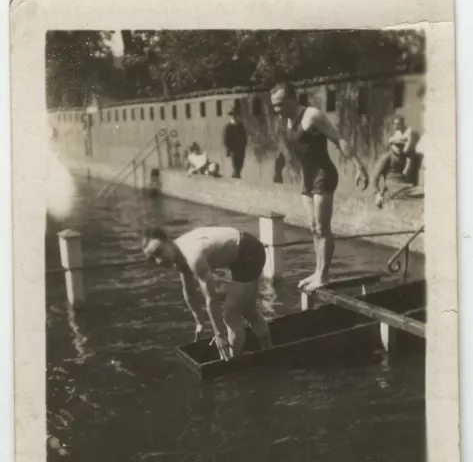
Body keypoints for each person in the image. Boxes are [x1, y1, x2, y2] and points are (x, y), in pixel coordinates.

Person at [270, 81, 369, 291]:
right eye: (274, 106)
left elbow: (338, 139)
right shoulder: (286, 121)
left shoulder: (312, 115)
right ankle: (317, 271)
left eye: (280, 104)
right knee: (314, 229)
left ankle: (323, 276)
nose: (277, 110)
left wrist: (359, 166)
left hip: (324, 175)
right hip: (307, 179)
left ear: (292, 99)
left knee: (323, 228)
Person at [142, 226, 272, 361]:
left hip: (249, 251)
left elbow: (211, 297)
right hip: (239, 254)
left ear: (167, 241)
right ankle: (269, 349)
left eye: (159, 252)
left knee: (230, 314)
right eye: (152, 259)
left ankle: (233, 364)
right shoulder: (177, 255)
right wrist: (199, 321)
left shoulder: (193, 256)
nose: (159, 261)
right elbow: (189, 291)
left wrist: (219, 334)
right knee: (249, 312)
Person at [371, 139, 410, 209]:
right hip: (392, 187)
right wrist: (377, 194)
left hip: (403, 185)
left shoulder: (403, 157)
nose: (399, 148)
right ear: (391, 145)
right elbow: (374, 177)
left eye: (401, 145)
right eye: (397, 145)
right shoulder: (386, 157)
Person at [388, 114, 417, 182]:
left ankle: (405, 175)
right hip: (398, 153)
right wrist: (403, 140)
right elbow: (390, 141)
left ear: (402, 123)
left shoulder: (409, 130)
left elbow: (408, 146)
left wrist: (396, 141)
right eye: (394, 124)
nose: (396, 126)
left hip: (407, 153)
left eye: (398, 124)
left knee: (410, 156)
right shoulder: (397, 132)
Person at [223, 108, 247, 178]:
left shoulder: (241, 125)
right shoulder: (228, 126)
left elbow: (244, 135)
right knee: (235, 161)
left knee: (241, 161)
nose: (235, 116)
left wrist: (244, 144)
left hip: (241, 147)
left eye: (236, 115)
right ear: (232, 116)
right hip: (233, 147)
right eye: (233, 115)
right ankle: (236, 174)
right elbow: (226, 138)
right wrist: (228, 147)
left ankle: (236, 173)